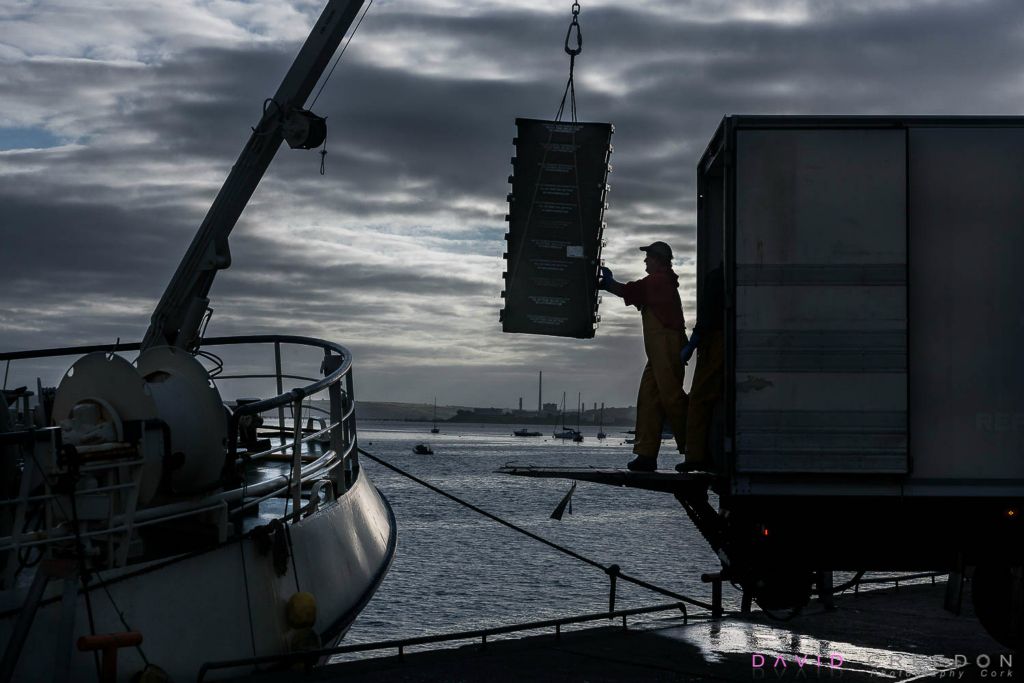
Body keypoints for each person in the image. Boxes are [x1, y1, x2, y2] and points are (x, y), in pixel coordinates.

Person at [598, 241, 688, 472]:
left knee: (672, 398)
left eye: (648, 257)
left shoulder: (659, 281)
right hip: (659, 352)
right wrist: (609, 284)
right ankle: (646, 455)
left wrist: (608, 283)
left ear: (658, 259)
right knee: (649, 400)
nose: (645, 261)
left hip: (666, 347)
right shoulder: (662, 282)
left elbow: (631, 291)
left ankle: (696, 450)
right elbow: (636, 294)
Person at [676, 263, 724, 472]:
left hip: (715, 342)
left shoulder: (715, 277)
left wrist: (691, 345)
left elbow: (707, 316)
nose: (644, 262)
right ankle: (710, 454)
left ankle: (695, 456)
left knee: (699, 401)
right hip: (723, 340)